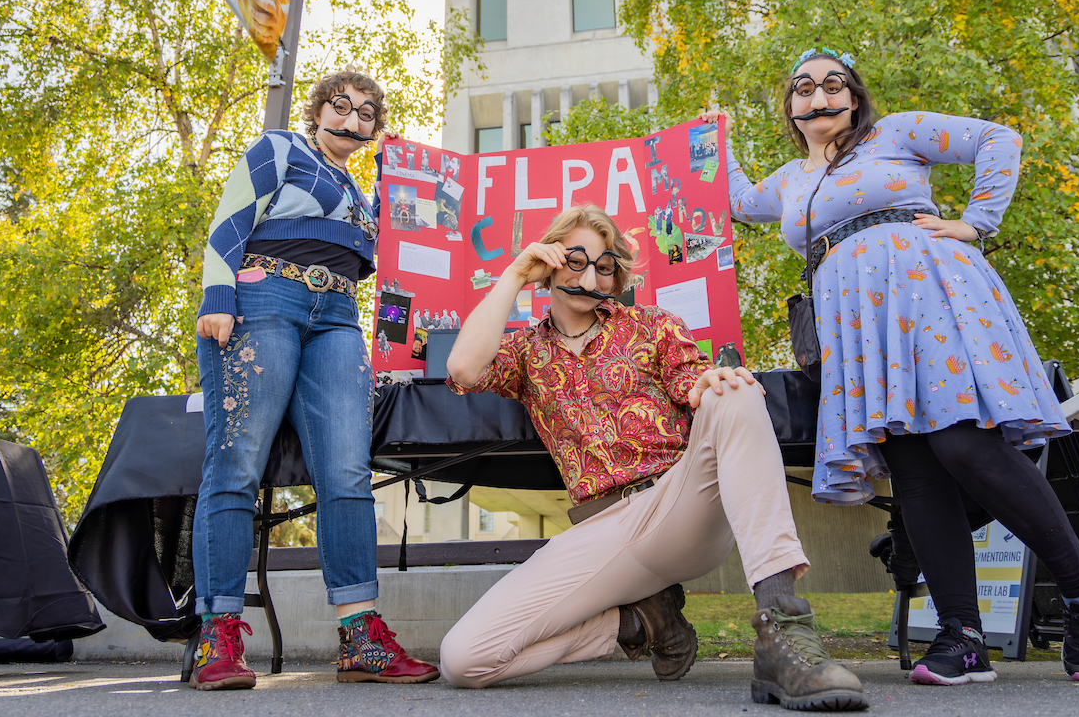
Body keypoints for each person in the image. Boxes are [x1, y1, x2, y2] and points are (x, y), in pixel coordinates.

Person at [703, 47, 1079, 685]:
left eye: (832, 84)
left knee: (962, 445)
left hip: (929, 295)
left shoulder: (894, 133)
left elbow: (996, 139)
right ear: (790, 108)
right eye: (803, 88)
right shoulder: (789, 178)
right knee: (913, 467)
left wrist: (976, 222)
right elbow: (735, 199)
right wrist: (716, 137)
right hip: (859, 330)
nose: (818, 97)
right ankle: (963, 635)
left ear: (855, 94)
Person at [441, 204, 867, 712]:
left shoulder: (653, 324)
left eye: (604, 266)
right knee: (463, 660)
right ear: (549, 261)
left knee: (734, 391)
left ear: (615, 277)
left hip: (680, 503)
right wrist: (514, 273)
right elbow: (464, 369)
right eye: (575, 260)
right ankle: (640, 622)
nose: (590, 275)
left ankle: (785, 631)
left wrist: (711, 382)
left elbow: (695, 382)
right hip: (603, 528)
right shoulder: (526, 351)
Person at [191, 67, 438, 690]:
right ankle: (216, 638)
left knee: (348, 471)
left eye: (367, 115)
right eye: (341, 106)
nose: (352, 121)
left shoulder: (359, 190)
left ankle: (361, 639)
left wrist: (396, 183)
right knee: (236, 463)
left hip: (337, 318)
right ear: (318, 110)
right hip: (262, 300)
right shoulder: (280, 149)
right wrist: (217, 296)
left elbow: (394, 249)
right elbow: (228, 221)